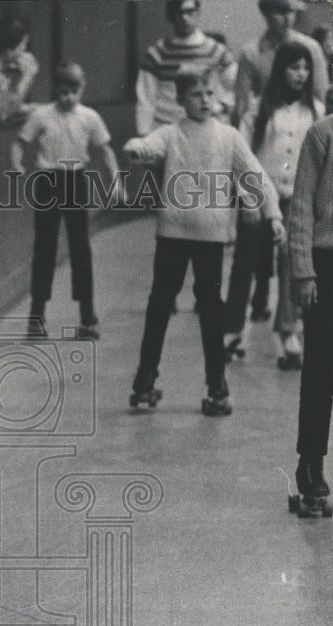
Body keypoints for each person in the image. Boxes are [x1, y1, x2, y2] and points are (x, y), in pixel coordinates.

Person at [124, 70, 285, 416]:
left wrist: (273, 214)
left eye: (210, 93)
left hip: (210, 236)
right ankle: (145, 378)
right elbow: (149, 145)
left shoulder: (228, 137)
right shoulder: (171, 133)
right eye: (196, 94)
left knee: (211, 307)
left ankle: (217, 384)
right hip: (172, 233)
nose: (205, 100)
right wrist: (136, 149)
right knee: (160, 303)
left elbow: (255, 175)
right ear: (181, 100)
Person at [12, 61, 123, 339]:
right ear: (55, 89)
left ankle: (88, 317)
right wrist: (16, 164)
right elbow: (20, 141)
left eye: (74, 91)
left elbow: (106, 150)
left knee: (80, 249)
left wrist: (116, 181)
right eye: (63, 91)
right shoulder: (42, 115)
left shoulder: (89, 117)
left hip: (75, 181)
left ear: (82, 88)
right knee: (45, 250)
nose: (68, 97)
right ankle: (36, 318)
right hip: (48, 181)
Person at [230, 41, 324, 368]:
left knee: (290, 262)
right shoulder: (260, 107)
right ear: (280, 69)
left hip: (296, 197)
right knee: (247, 262)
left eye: (305, 68)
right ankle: (234, 329)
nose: (300, 74)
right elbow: (241, 156)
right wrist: (249, 197)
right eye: (293, 67)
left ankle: (288, 330)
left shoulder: (314, 109)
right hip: (259, 195)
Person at [288, 112, 333, 509]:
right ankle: (311, 462)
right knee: (321, 367)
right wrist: (304, 271)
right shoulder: (322, 135)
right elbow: (301, 207)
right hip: (326, 263)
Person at [135, 0, 236, 136]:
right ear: (170, 16)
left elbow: (235, 85)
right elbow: (145, 99)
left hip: (205, 130)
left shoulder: (215, 51)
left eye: (189, 12)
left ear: (198, 13)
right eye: (179, 13)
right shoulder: (157, 54)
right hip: (167, 129)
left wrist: (221, 106)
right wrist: (144, 136)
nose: (184, 18)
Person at [234, 0, 328, 127]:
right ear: (265, 13)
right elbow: (242, 102)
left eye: (291, 11)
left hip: (305, 124)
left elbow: (320, 94)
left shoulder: (311, 48)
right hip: (267, 126)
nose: (287, 18)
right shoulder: (251, 53)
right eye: (280, 12)